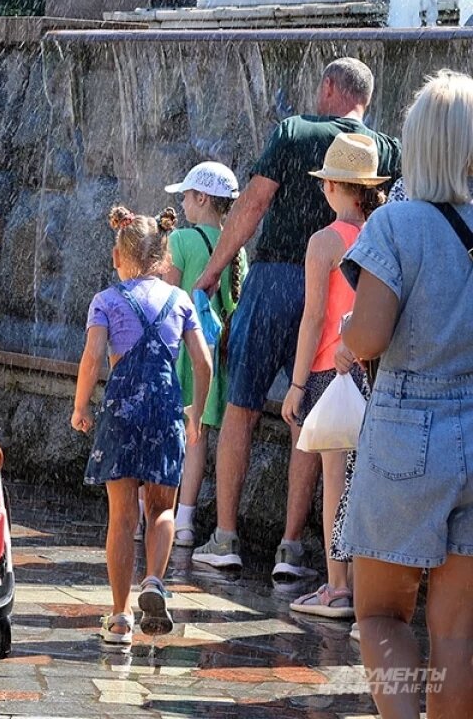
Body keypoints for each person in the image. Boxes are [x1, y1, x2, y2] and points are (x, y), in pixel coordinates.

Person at [192, 58, 401, 577]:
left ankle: (225, 537)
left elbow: (253, 204)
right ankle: (291, 547)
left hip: (274, 282)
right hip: (341, 293)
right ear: (366, 98)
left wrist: (213, 272)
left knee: (241, 405)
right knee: (309, 416)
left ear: (328, 87)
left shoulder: (294, 131)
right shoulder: (385, 149)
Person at [337, 70, 473, 717]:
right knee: (458, 633)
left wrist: (345, 332)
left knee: (381, 615)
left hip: (405, 435)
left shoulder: (395, 225)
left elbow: (368, 336)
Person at [72, 206, 211, 645]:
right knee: (162, 510)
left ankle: (119, 618)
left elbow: (93, 357)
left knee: (122, 517)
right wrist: (196, 412)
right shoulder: (180, 300)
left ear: (118, 256)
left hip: (121, 412)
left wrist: (81, 406)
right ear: (165, 259)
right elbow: (203, 363)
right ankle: (154, 580)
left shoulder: (107, 301)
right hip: (166, 411)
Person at [278, 133, 386, 620]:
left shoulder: (323, 242)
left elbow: (313, 317)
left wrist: (297, 385)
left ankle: (337, 587)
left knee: (336, 484)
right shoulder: (382, 235)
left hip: (328, 374)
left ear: (333, 187)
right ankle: (364, 587)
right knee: (368, 483)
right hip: (372, 371)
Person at [160, 162, 245, 548]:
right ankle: (185, 522)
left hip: (181, 349)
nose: (181, 204)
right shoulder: (236, 246)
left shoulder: (180, 240)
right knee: (198, 435)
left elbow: (168, 298)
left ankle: (154, 513)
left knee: (168, 431)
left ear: (202, 198)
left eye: (186, 196)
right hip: (213, 354)